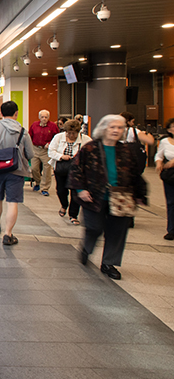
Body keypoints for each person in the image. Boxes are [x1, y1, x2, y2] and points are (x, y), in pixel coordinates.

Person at [68, 114, 147, 280]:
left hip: (120, 198)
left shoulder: (126, 150)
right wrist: (81, 189)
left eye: (120, 128)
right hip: (94, 196)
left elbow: (135, 174)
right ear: (104, 128)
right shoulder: (90, 148)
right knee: (94, 228)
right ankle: (87, 248)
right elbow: (76, 169)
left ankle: (109, 263)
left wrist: (140, 194)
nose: (116, 131)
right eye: (112, 127)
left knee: (118, 231)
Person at [0, 100, 34, 246]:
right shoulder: (23, 131)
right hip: (16, 170)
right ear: (16, 113)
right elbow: (30, 153)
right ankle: (8, 234)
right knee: (12, 202)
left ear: (1, 113)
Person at [48, 120, 89, 225]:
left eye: (74, 133)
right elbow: (51, 151)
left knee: (76, 193)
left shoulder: (86, 140)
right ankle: (64, 205)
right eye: (68, 133)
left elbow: (91, 154)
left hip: (77, 171)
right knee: (61, 190)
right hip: (62, 168)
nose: (71, 135)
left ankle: (73, 215)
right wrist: (61, 156)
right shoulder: (58, 137)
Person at [29, 109, 60, 196]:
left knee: (47, 169)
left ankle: (44, 188)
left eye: (46, 117)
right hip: (35, 148)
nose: (44, 119)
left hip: (46, 151)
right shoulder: (34, 125)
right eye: (42, 117)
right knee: (34, 168)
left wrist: (50, 144)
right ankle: (38, 182)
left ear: (48, 118)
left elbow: (57, 138)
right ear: (39, 117)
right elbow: (29, 135)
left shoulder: (53, 126)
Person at [155, 117, 174, 240]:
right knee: (171, 202)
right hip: (170, 175)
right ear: (169, 129)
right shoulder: (165, 141)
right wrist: (158, 163)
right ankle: (171, 229)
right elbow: (159, 154)